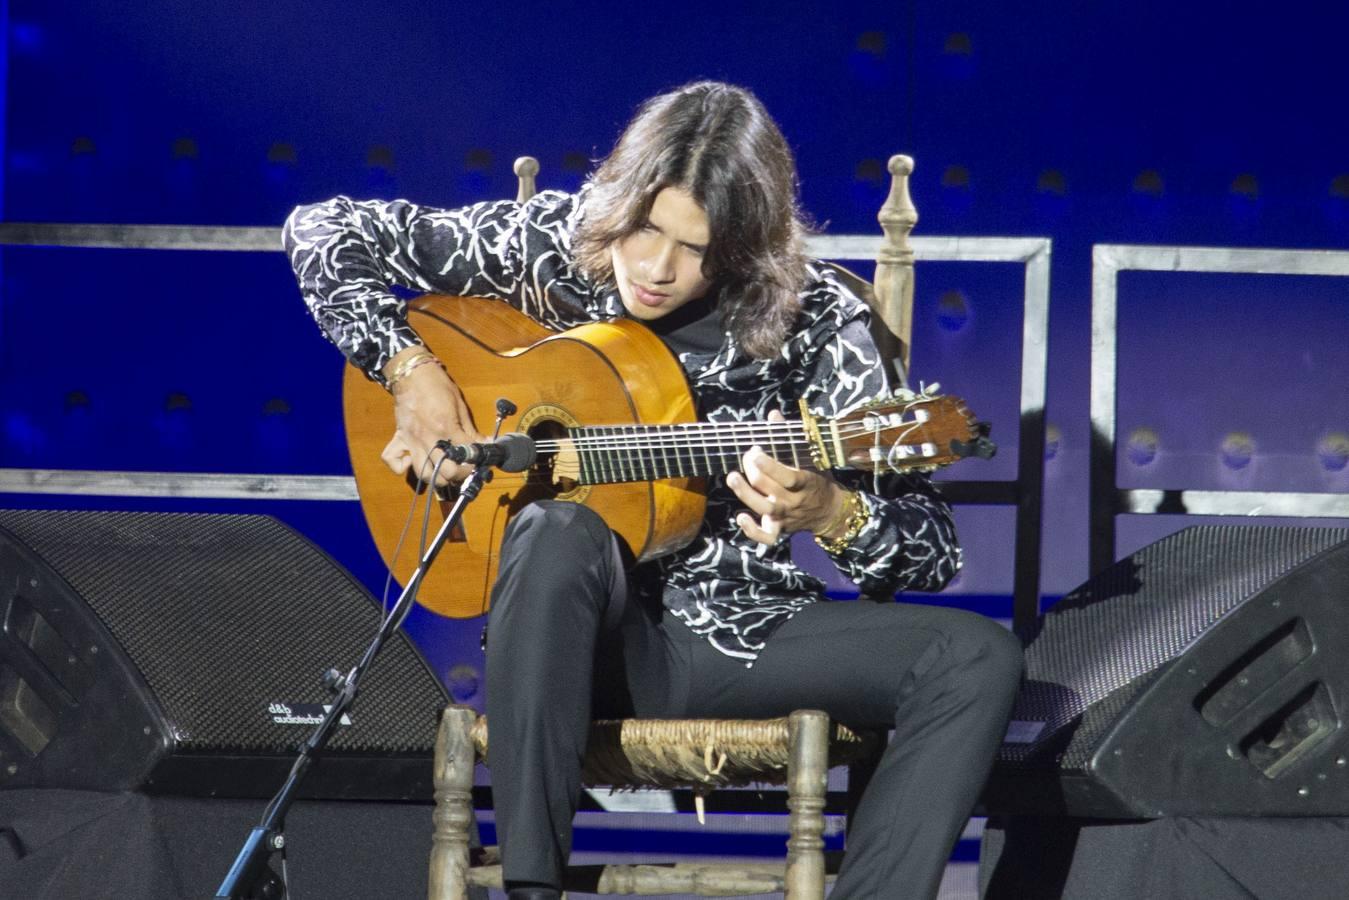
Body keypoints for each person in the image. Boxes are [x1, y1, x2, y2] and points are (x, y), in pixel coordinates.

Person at [284, 81, 1023, 900]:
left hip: (744, 636)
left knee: (975, 656)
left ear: (743, 248)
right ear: (621, 200)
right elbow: (323, 230)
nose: (656, 267)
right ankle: (534, 888)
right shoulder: (553, 246)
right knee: (556, 531)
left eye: (695, 249)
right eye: (645, 229)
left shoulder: (813, 319)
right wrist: (409, 370)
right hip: (574, 640)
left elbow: (930, 550)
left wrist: (830, 509)